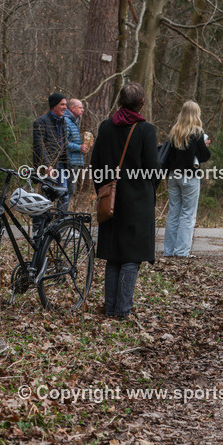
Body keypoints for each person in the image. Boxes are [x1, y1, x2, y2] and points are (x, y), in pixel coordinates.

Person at [91, 82, 159, 318]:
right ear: (142, 103)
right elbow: (153, 169)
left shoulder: (105, 127)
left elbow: (95, 163)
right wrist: (150, 193)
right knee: (131, 256)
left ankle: (111, 308)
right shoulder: (146, 130)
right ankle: (122, 311)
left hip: (110, 199)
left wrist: (103, 189)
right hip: (137, 201)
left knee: (113, 255)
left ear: (120, 101)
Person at [163, 101, 211, 258]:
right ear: (196, 114)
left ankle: (169, 251)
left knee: (173, 213)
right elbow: (204, 156)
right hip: (189, 177)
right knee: (188, 214)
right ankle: (182, 251)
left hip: (173, 176)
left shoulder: (175, 131)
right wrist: (204, 145)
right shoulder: (197, 132)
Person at [32, 93, 70, 226]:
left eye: (66, 104)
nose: (65, 107)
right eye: (62, 104)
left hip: (60, 165)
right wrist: (47, 165)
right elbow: (39, 145)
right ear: (54, 106)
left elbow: (64, 144)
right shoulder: (40, 122)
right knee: (44, 198)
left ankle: (60, 225)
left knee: (64, 194)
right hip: (46, 166)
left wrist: (68, 165)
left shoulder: (63, 121)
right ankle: (39, 226)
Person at [63, 98, 88, 204]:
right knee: (68, 191)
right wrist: (80, 147)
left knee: (70, 191)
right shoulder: (66, 121)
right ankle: (61, 217)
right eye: (80, 107)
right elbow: (64, 143)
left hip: (74, 162)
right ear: (72, 109)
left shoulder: (73, 122)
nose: (83, 110)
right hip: (69, 162)